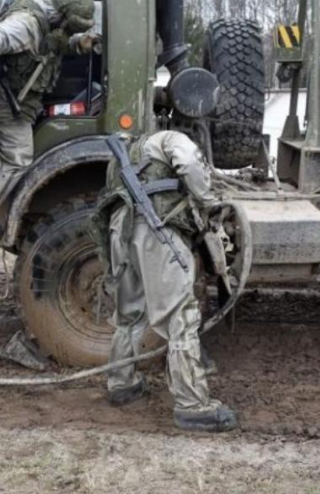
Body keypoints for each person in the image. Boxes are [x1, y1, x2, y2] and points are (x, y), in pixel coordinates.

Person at [91, 130, 238, 432]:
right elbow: (188, 162)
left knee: (130, 314)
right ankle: (193, 406)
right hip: (156, 228)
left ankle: (122, 384)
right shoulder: (169, 138)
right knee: (180, 318)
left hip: (122, 232)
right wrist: (208, 200)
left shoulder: (122, 155)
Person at [0, 0, 100, 239]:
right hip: (2, 96)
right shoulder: (27, 24)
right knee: (18, 159)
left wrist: (78, 43)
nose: (67, 30)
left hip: (10, 92)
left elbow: (52, 44)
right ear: (60, 15)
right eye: (69, 25)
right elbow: (1, 37)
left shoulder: (45, 19)